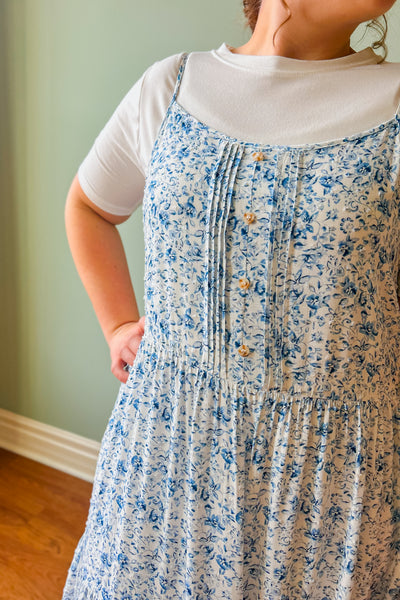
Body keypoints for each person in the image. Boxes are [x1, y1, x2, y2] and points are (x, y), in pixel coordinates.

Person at [62, 0, 400, 598]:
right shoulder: (171, 85)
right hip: (166, 465)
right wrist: (118, 324)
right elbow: (90, 207)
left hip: (334, 487)